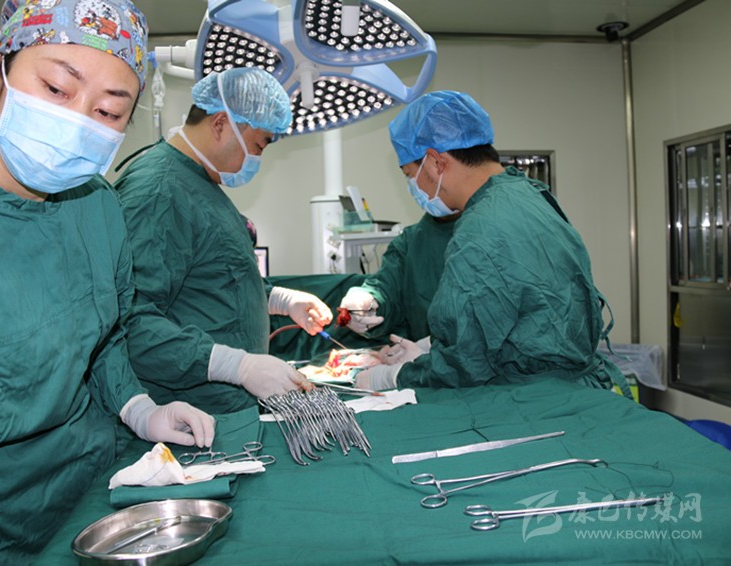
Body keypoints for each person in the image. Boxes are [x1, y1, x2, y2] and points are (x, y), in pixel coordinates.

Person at [0, 1, 215, 563]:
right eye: (57, 89)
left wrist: (137, 407)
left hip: (98, 499)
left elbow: (104, 334)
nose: (78, 121)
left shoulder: (95, 207)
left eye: (109, 111)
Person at [355, 91, 628, 394]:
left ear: (434, 162)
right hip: (568, 387)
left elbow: (465, 362)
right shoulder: (530, 195)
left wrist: (392, 377)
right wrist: (429, 346)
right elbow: (527, 311)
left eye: (410, 175)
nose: (414, 187)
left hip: (532, 395)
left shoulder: (479, 230)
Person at [116, 67, 332, 413]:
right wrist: (236, 366)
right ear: (220, 123)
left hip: (226, 410)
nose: (258, 158)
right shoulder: (158, 192)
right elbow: (130, 321)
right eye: (259, 144)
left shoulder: (200, 185)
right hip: (191, 414)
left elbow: (212, 279)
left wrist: (280, 300)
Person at [338, 211, 459, 342]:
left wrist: (430, 346)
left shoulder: (473, 237)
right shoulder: (412, 240)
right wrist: (369, 300)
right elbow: (387, 286)